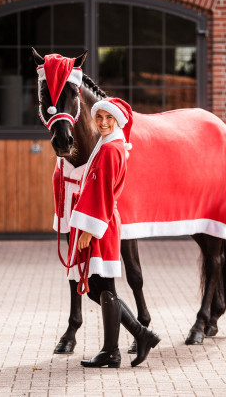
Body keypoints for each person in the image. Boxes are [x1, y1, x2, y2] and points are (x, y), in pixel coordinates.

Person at [67, 97, 161, 368]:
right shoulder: (108, 145)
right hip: (101, 224)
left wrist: (89, 231)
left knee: (103, 288)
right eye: (99, 118)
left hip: (101, 226)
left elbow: (103, 195)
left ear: (118, 120)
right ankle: (135, 338)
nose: (103, 123)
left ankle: (116, 348)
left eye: (109, 118)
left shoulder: (110, 150)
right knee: (97, 290)